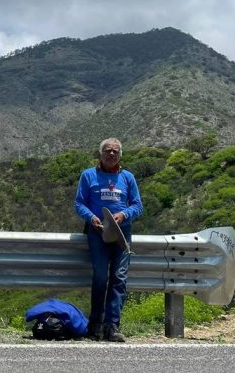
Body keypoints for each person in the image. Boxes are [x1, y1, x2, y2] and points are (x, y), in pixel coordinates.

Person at [74, 138, 143, 342]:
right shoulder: (88, 175)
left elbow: (138, 205)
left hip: (122, 233)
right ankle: (95, 324)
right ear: (100, 154)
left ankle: (113, 326)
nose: (111, 154)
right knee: (101, 277)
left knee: (119, 278)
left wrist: (124, 215)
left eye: (115, 151)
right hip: (98, 233)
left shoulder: (128, 177)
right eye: (107, 151)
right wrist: (91, 217)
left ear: (120, 155)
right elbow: (79, 203)